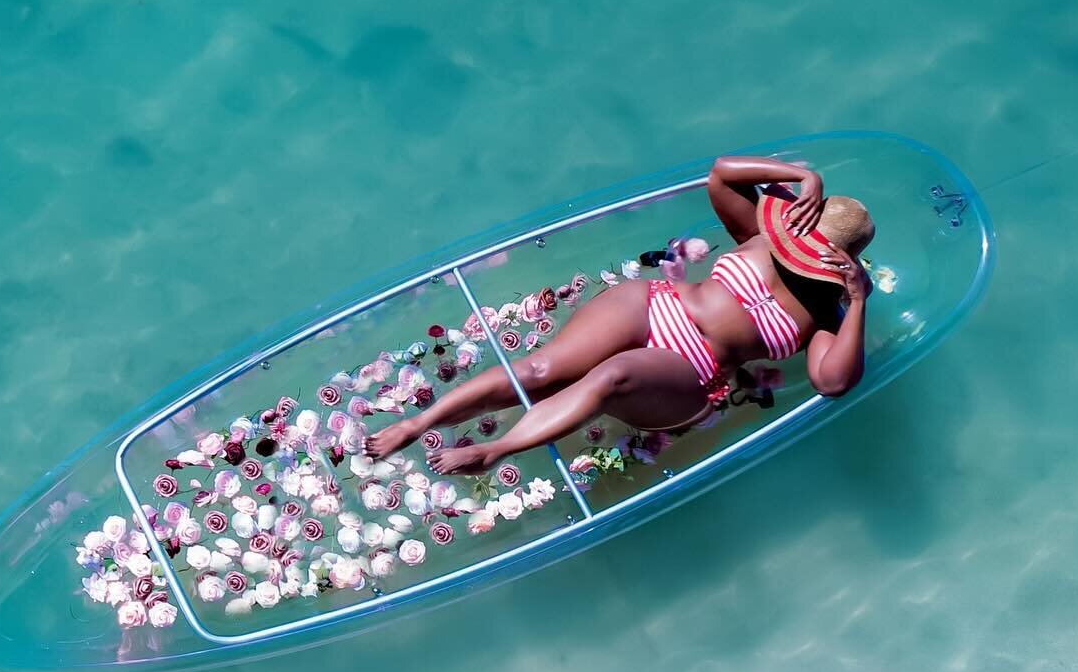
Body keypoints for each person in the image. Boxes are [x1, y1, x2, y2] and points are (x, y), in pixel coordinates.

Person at [365, 155, 875, 474]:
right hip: (654, 304)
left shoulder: (823, 313)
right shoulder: (760, 234)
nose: (792, 251)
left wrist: (855, 302)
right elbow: (722, 172)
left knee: (613, 375)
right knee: (538, 370)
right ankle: (418, 423)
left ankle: (497, 451)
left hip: (688, 371)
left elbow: (831, 381)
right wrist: (802, 175)